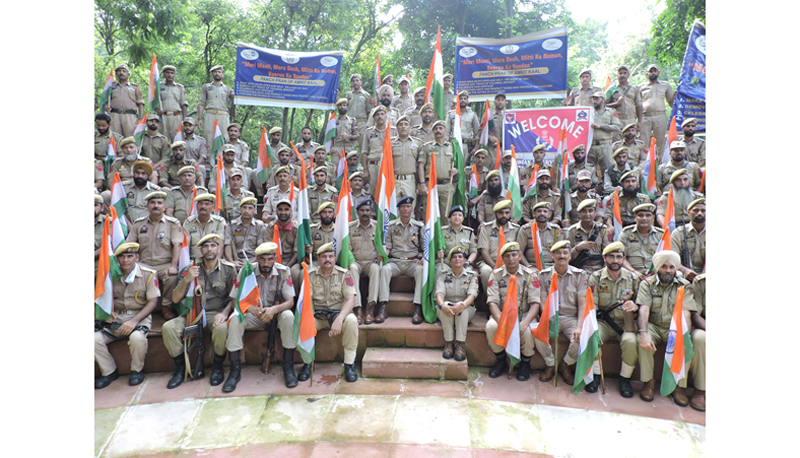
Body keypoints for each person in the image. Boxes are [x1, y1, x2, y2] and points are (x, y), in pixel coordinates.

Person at [163, 234, 239, 391]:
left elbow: (234, 298)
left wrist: (225, 313)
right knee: (168, 328)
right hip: (193, 312)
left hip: (216, 313)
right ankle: (181, 368)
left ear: (219, 248)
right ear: (200, 250)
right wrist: (186, 280)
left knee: (222, 328)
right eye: (205, 246)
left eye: (212, 246)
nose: (209, 249)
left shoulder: (228, 269)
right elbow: (176, 299)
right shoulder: (190, 268)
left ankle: (217, 366)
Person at [227, 242, 298, 388]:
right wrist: (251, 309)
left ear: (275, 258)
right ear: (257, 259)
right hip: (253, 314)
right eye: (262, 259)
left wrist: (273, 310)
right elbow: (235, 300)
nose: (266, 263)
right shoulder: (246, 271)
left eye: (270, 259)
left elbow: (290, 301)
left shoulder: (284, 271)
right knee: (234, 319)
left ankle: (288, 367)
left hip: (275, 315)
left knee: (289, 317)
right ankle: (235, 371)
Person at [635, 250, 698, 406]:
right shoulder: (647, 284)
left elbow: (686, 314)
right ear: (657, 268)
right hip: (654, 325)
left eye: (671, 267)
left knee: (685, 343)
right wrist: (643, 333)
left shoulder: (684, 286)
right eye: (664, 266)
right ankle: (648, 382)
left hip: (674, 328)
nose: (668, 270)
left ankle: (677, 387)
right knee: (644, 338)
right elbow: (644, 310)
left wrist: (685, 336)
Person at [94, 243, 159, 389]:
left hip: (139, 317)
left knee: (137, 338)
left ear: (137, 257)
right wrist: (106, 313)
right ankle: (109, 372)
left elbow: (152, 303)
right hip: (116, 319)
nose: (125, 260)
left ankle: (137, 370)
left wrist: (134, 321)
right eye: (122, 257)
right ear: (117, 259)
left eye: (130, 256)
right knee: (94, 340)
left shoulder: (148, 274)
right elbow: (100, 298)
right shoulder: (109, 274)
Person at [587, 242, 640, 396]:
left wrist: (635, 305)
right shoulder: (596, 278)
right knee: (593, 336)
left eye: (619, 257)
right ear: (605, 258)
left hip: (626, 323)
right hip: (604, 322)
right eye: (611, 257)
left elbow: (642, 303)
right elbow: (593, 306)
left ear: (624, 258)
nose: (615, 260)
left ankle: (624, 379)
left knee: (630, 342)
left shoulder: (633, 278)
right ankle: (596, 375)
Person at [485, 242, 542, 381]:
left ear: (519, 256)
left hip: (525, 315)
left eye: (514, 255)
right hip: (503, 315)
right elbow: (492, 302)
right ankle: (501, 361)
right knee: (491, 327)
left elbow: (535, 304)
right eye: (507, 256)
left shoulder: (530, 275)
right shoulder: (496, 275)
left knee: (528, 332)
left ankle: (525, 364)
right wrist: (502, 322)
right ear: (502, 259)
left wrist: (524, 323)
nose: (511, 258)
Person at [303, 243, 359, 382]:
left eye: (331, 256)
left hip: (337, 314)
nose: (327, 259)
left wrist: (339, 319)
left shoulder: (344, 274)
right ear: (318, 259)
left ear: (335, 258)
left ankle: (349, 365)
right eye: (324, 257)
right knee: (304, 323)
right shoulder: (310, 275)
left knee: (351, 321)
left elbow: (350, 299)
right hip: (318, 316)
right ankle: (308, 363)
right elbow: (306, 301)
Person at [536, 240, 590, 384]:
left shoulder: (580, 275)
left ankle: (566, 365)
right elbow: (542, 300)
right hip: (551, 316)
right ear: (552, 256)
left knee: (581, 337)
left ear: (570, 256)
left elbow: (582, 301)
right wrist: (546, 318)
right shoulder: (543, 275)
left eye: (565, 253)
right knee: (537, 334)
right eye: (558, 253)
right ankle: (550, 364)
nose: (562, 256)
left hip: (571, 317)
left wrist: (579, 325)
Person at [126, 191, 183, 319]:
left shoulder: (173, 223)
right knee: (130, 273)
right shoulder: (139, 223)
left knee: (172, 277)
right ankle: (138, 307)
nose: (156, 205)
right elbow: (130, 245)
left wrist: (173, 265)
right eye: (152, 203)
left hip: (165, 264)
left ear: (164, 207)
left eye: (159, 203)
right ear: (147, 206)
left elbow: (177, 245)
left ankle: (166, 306)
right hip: (144, 263)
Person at [378, 196, 425, 324]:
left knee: (421, 271)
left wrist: (423, 257)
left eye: (408, 206)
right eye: (403, 207)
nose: (405, 209)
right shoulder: (391, 226)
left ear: (412, 208)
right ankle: (383, 306)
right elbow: (388, 246)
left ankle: (418, 308)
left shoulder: (419, 226)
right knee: (385, 270)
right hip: (395, 262)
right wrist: (382, 256)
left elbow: (424, 246)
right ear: (398, 209)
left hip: (412, 262)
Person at [435, 246, 479, 361]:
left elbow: (472, 295)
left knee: (462, 310)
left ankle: (460, 345)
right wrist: (442, 305)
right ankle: (449, 343)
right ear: (450, 261)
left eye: (460, 257)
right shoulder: (443, 275)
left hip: (466, 308)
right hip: (447, 307)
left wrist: (462, 305)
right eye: (454, 257)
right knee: (446, 308)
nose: (457, 259)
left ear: (464, 260)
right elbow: (439, 294)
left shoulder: (471, 276)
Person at [348, 199, 382, 324]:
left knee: (375, 269)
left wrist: (380, 256)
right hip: (356, 261)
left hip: (371, 262)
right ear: (357, 212)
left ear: (371, 211)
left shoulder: (378, 226)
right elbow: (347, 248)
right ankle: (357, 308)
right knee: (352, 268)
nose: (365, 213)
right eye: (362, 210)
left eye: (367, 210)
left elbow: (382, 246)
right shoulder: (350, 227)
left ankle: (370, 308)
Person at [477, 200, 521, 290]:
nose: (504, 215)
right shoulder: (486, 228)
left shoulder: (516, 229)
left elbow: (519, 251)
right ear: (495, 214)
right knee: (486, 272)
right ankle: (490, 299)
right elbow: (484, 252)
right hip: (489, 263)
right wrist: (494, 267)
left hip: (510, 262)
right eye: (501, 213)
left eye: (507, 213)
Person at [417, 121, 457, 218]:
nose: (438, 130)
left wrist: (456, 170)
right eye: (435, 129)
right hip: (431, 185)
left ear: (445, 131)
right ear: (432, 132)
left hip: (447, 185)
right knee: (429, 216)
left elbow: (457, 164)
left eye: (440, 128)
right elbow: (421, 166)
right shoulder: (427, 147)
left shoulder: (452, 147)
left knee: (446, 216)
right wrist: (422, 184)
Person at [618, 203, 664, 280]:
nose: (644, 218)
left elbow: (667, 258)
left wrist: (657, 271)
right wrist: (634, 272)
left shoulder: (661, 235)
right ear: (635, 217)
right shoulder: (626, 233)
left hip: (655, 274)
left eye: (648, 215)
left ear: (653, 218)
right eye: (641, 215)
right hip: (631, 274)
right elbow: (620, 257)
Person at [567, 199, 611, 274]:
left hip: (599, 268)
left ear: (595, 213)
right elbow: (567, 256)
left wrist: (605, 272)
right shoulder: (572, 231)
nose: (587, 214)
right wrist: (577, 248)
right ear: (579, 213)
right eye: (584, 211)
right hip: (579, 269)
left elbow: (608, 253)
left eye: (590, 211)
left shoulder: (602, 229)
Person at [265, 199, 302, 287]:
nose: (283, 212)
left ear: (291, 211)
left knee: (295, 273)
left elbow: (296, 253)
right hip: (273, 260)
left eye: (286, 209)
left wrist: (287, 267)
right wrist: (276, 264)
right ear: (276, 211)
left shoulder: (296, 228)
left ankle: (294, 298)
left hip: (291, 261)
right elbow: (267, 249)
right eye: (280, 209)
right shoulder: (270, 227)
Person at [639, 64, 674, 155]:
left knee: (660, 143)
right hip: (645, 117)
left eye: (655, 71)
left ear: (658, 72)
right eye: (650, 71)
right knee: (643, 142)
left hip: (660, 116)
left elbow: (671, 103)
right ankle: (644, 165)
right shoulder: (640, 87)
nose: (653, 73)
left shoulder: (665, 85)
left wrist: (676, 97)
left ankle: (658, 166)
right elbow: (637, 104)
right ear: (647, 74)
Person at [517, 202, 564, 270]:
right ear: (534, 214)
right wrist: (528, 266)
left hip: (551, 266)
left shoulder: (555, 229)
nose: (542, 213)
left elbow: (561, 251)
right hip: (531, 266)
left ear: (549, 214)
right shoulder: (525, 229)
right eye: (539, 211)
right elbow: (519, 251)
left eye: (545, 211)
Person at [198, 65, 235, 148]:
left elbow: (236, 99)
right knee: (209, 138)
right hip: (210, 115)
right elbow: (202, 103)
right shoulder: (206, 87)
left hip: (223, 115)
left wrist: (237, 85)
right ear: (212, 74)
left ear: (222, 75)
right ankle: (210, 160)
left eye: (219, 72)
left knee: (224, 138)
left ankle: (222, 159)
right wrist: (199, 118)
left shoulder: (228, 89)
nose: (217, 73)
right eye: (215, 72)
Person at [225, 197, 268, 268]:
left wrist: (250, 263)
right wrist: (232, 262)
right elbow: (228, 246)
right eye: (244, 207)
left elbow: (261, 249)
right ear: (240, 209)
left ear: (255, 210)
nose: (247, 211)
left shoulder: (259, 226)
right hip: (236, 261)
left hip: (254, 262)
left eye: (250, 208)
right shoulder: (231, 225)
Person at [360, 106, 397, 190]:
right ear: (373, 118)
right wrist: (365, 170)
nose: (380, 116)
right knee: (374, 193)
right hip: (373, 166)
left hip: (389, 166)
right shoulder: (369, 132)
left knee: (387, 192)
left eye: (382, 114)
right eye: (377, 115)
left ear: (386, 116)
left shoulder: (394, 131)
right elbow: (364, 152)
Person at [183, 193, 228, 259]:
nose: (203, 206)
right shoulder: (189, 222)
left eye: (207, 204)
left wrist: (216, 264)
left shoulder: (219, 222)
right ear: (196, 206)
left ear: (212, 207)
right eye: (200, 204)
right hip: (194, 262)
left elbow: (220, 245)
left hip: (213, 261)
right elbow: (185, 247)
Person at [587, 91, 622, 175]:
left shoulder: (611, 112)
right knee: (589, 171)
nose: (594, 101)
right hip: (590, 146)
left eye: (597, 99)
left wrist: (601, 126)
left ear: (603, 100)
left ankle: (608, 188)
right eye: (593, 99)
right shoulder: (588, 112)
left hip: (605, 145)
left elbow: (617, 127)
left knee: (608, 170)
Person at [105, 64, 144, 137]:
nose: (121, 73)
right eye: (119, 71)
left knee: (130, 138)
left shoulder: (135, 87)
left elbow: (140, 103)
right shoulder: (112, 86)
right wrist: (106, 106)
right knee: (115, 137)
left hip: (130, 116)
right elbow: (105, 101)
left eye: (124, 71)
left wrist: (141, 119)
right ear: (116, 74)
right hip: (114, 116)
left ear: (128, 74)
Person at [671, 198, 705, 281]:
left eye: (703, 210)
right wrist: (685, 270)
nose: (699, 213)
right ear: (688, 213)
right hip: (685, 275)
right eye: (695, 210)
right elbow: (673, 259)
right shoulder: (678, 233)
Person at [605, 65, 643, 142]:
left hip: (630, 119)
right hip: (616, 119)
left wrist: (640, 121)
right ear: (617, 75)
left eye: (625, 73)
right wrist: (616, 103)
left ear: (628, 75)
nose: (622, 75)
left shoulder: (635, 89)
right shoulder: (612, 89)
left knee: (630, 142)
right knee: (616, 142)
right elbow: (603, 106)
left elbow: (639, 106)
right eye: (620, 73)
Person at [391, 116, 423, 199]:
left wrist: (420, 183)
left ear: (410, 128)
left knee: (409, 208)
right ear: (396, 128)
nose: (403, 126)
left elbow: (420, 164)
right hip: (394, 180)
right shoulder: (390, 142)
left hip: (410, 180)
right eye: (400, 124)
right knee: (394, 209)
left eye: (406, 124)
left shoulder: (417, 143)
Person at [438, 206, 477, 274]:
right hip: (446, 263)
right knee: (439, 271)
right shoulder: (442, 231)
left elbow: (473, 251)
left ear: (463, 218)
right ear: (450, 218)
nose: (457, 217)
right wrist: (439, 254)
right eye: (454, 215)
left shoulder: (469, 232)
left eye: (460, 215)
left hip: (463, 263)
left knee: (470, 274)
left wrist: (468, 262)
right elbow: (436, 249)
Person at [156, 65, 188, 140]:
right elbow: (153, 102)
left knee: (178, 140)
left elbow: (184, 104)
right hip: (163, 117)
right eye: (167, 73)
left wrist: (185, 119)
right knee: (163, 140)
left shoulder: (179, 87)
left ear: (174, 75)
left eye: (172, 73)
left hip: (176, 117)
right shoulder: (159, 87)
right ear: (164, 75)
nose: (170, 75)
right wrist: (157, 111)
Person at [689, 273, 706, 411]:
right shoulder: (702, 282)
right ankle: (700, 390)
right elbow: (695, 315)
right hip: (705, 326)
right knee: (700, 338)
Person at [446, 91, 480, 155]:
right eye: (461, 99)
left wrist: (476, 147)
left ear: (467, 101)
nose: (463, 100)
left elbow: (477, 133)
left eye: (465, 99)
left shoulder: (472, 115)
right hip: (453, 144)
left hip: (466, 146)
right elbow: (446, 132)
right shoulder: (451, 114)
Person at [346, 74, 373, 139]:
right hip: (350, 122)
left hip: (361, 123)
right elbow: (344, 107)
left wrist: (368, 124)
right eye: (353, 81)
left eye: (357, 80)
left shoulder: (366, 95)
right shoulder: (349, 95)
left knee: (362, 143)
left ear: (361, 82)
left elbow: (369, 111)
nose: (355, 82)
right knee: (349, 143)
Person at [483, 93, 507, 160]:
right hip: (492, 149)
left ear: (505, 103)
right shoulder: (489, 115)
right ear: (494, 102)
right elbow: (480, 132)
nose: (500, 102)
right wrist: (489, 137)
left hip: (505, 149)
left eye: (502, 100)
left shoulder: (508, 116)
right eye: (498, 100)